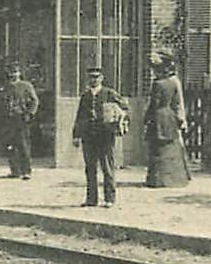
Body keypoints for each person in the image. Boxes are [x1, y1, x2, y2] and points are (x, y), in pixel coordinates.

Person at [73, 65, 130, 207]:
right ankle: (91, 199)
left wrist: (116, 116)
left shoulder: (109, 93)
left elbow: (124, 107)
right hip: (88, 136)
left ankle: (109, 199)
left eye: (96, 77)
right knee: (90, 168)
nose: (93, 80)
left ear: (101, 78)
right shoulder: (85, 96)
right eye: (91, 77)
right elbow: (79, 116)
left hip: (105, 136)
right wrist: (76, 135)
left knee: (107, 167)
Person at [144, 49, 191, 188]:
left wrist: (147, 117)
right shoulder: (170, 81)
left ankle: (159, 179)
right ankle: (176, 178)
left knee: (159, 147)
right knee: (171, 145)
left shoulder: (163, 83)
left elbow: (176, 102)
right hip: (169, 117)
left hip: (160, 116)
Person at [0, 64, 39, 180]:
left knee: (23, 145)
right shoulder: (6, 87)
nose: (13, 75)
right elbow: (2, 102)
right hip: (9, 119)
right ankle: (15, 170)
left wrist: (29, 113)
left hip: (21, 118)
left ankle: (26, 171)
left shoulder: (26, 86)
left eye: (15, 72)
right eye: (11, 73)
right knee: (10, 145)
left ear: (19, 73)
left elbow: (35, 101)